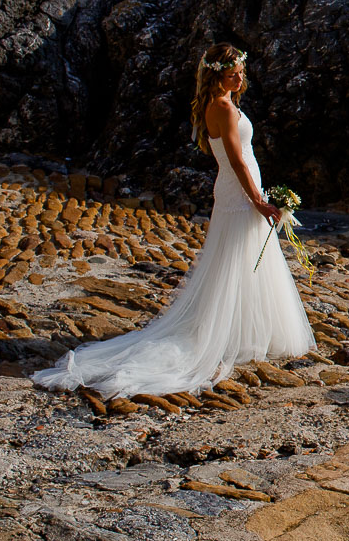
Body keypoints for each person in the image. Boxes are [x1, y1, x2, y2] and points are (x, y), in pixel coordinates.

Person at [33, 43, 314, 398]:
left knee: (244, 258)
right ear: (217, 75)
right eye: (234, 74)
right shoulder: (223, 109)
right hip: (239, 193)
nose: (241, 79)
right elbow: (237, 161)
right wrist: (258, 200)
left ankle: (241, 329)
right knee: (233, 258)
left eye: (242, 72)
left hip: (235, 189)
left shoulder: (220, 104)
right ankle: (225, 333)